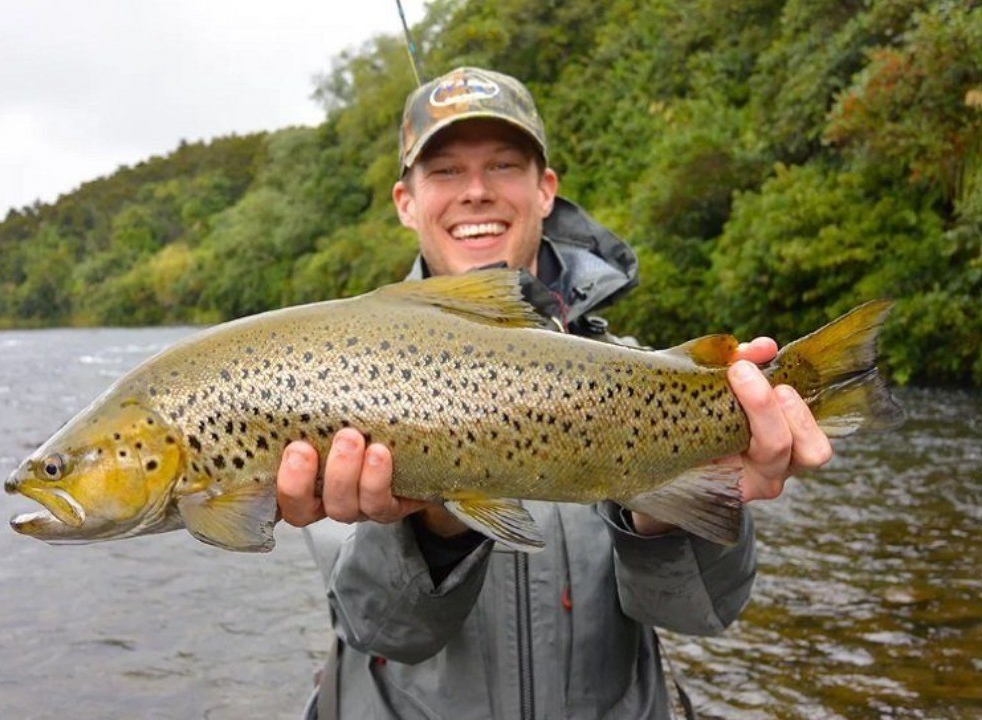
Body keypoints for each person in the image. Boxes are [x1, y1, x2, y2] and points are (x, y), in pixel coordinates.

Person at [281, 67, 833, 719]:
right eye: (447, 171)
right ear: (406, 201)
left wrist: (664, 503)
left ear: (546, 190)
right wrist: (434, 526)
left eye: (505, 165)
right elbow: (388, 631)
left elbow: (700, 612)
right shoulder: (331, 382)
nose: (477, 192)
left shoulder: (640, 381)